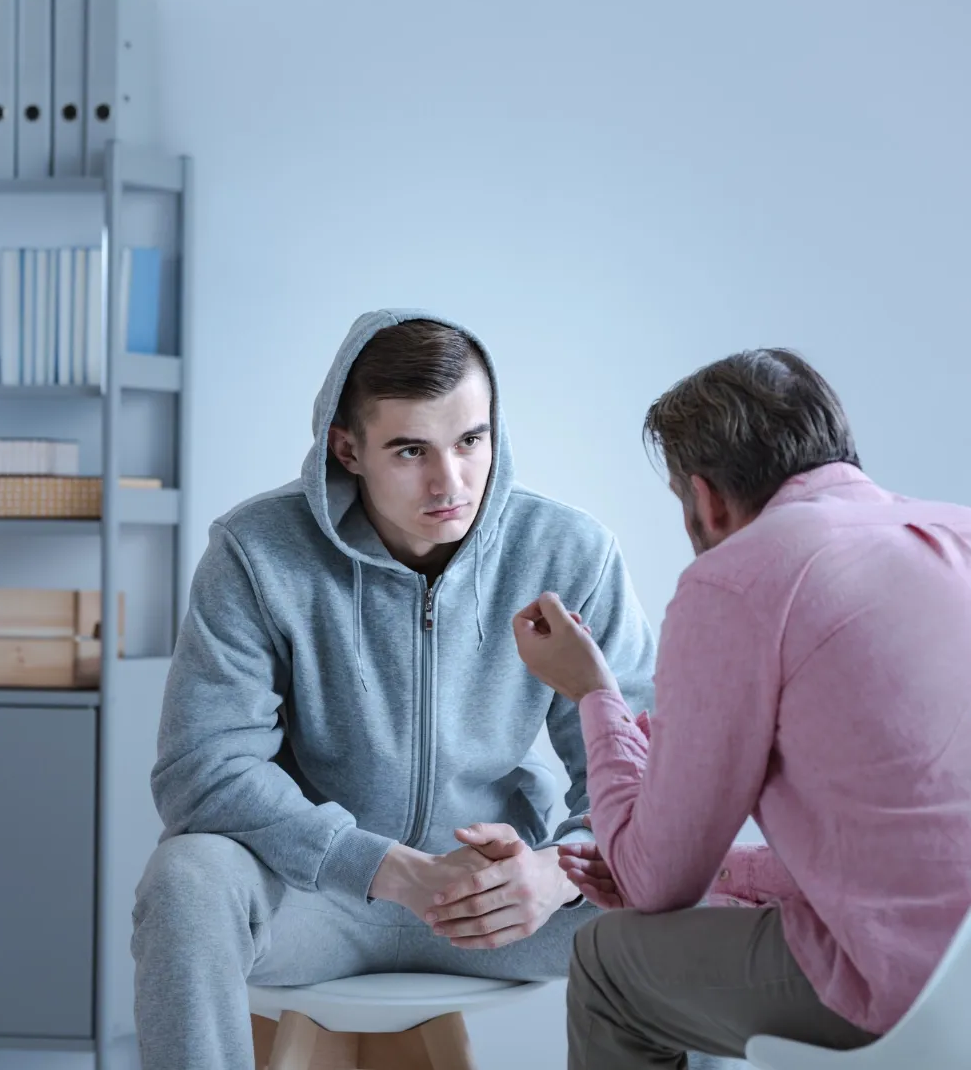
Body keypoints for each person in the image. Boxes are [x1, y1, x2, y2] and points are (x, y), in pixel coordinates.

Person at [130, 310, 659, 1070]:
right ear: (348, 448)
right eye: (412, 450)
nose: (453, 482)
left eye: (472, 441)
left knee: (691, 900)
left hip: (505, 902)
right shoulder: (256, 552)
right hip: (319, 898)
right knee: (185, 882)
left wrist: (557, 873)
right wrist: (389, 869)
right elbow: (201, 774)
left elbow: (648, 777)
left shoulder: (569, 552)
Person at [509, 348, 971, 1070]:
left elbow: (657, 882)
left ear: (706, 498)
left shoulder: (738, 579)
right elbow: (921, 856)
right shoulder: (957, 531)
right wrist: (731, 873)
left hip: (912, 994)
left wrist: (593, 692)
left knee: (605, 962)